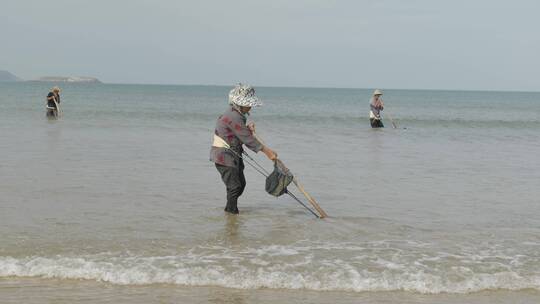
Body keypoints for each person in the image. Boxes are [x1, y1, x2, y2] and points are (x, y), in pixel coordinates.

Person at [210, 84, 278, 214]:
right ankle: (231, 214)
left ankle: (229, 211)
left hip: (233, 155)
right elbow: (247, 139)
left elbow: (239, 132)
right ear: (239, 103)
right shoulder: (233, 116)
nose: (250, 106)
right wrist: (268, 152)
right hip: (224, 156)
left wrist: (247, 129)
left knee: (240, 185)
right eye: (248, 104)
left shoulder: (236, 114)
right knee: (235, 187)